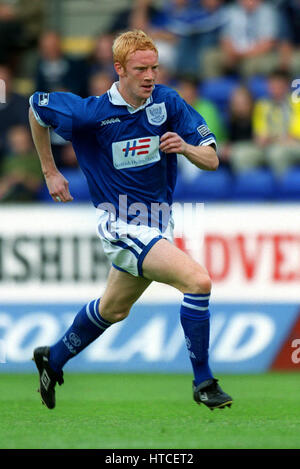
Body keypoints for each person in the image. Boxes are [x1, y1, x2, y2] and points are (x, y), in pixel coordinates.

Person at [29, 29, 233, 411]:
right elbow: (35, 108)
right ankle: (204, 382)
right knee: (198, 281)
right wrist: (50, 172)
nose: (150, 76)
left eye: (155, 67)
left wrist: (186, 147)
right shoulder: (90, 113)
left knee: (113, 309)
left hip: (158, 222)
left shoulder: (168, 102)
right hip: (120, 224)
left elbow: (212, 159)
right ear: (119, 68)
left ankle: (52, 359)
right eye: (141, 68)